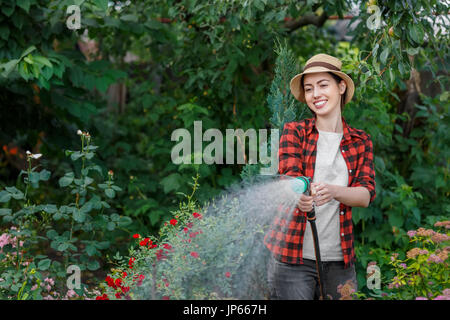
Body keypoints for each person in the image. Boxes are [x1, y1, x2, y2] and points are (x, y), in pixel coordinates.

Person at [264, 53, 376, 300]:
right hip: (293, 258)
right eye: (309, 88)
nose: (316, 94)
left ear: (341, 86)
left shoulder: (360, 141)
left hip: (339, 260)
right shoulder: (295, 132)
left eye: (323, 85)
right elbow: (289, 176)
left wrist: (334, 191)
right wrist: (299, 197)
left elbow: (365, 194)